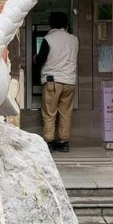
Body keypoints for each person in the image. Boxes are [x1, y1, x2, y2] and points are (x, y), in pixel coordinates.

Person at [34, 11, 79, 152]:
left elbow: (40, 59)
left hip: (52, 81)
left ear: (50, 24)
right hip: (69, 81)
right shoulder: (74, 39)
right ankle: (64, 142)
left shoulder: (48, 39)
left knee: (49, 112)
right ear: (66, 24)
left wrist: (35, 58)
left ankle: (48, 141)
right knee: (66, 113)